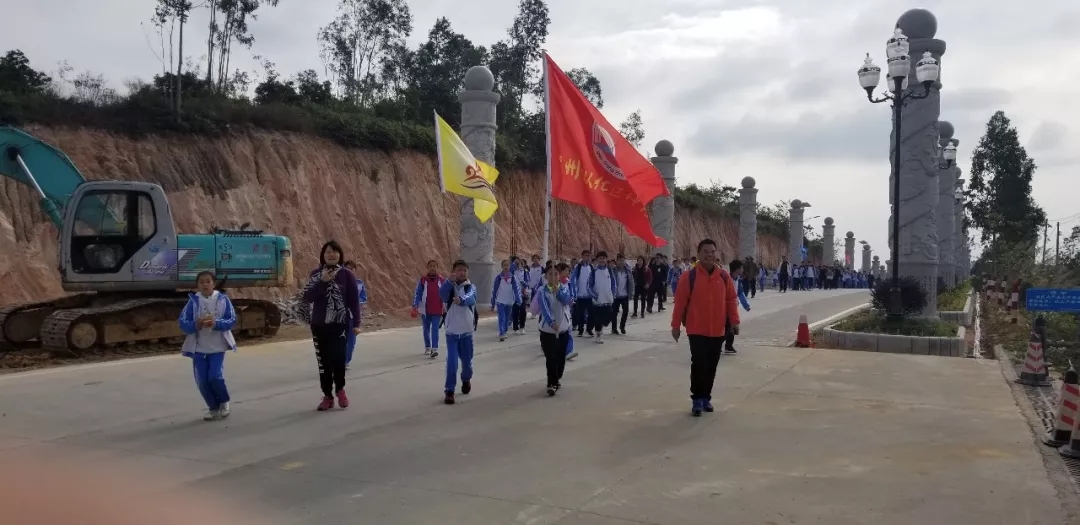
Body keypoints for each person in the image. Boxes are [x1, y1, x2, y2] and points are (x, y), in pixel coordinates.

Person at [670, 239, 740, 417]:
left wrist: (734, 321)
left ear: (716, 254)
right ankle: (697, 399)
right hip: (696, 329)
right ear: (699, 254)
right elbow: (680, 303)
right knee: (699, 363)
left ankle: (706, 397)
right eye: (706, 251)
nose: (710, 254)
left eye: (712, 251)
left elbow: (731, 300)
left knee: (711, 365)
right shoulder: (689, 276)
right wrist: (675, 325)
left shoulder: (724, 276)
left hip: (717, 329)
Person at [301, 240, 362, 411]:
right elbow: (308, 297)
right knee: (324, 363)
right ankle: (327, 395)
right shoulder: (316, 273)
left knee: (338, 359)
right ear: (323, 255)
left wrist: (356, 323)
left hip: (340, 325)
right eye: (328, 252)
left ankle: (340, 390)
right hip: (319, 325)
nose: (331, 254)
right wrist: (322, 282)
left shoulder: (347, 275)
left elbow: (353, 302)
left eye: (335, 251)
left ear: (340, 255)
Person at [178, 270, 237, 421]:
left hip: (217, 347)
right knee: (203, 381)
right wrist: (195, 324)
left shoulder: (223, 300)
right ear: (197, 285)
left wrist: (216, 323)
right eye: (201, 282)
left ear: (213, 283)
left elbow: (231, 320)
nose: (205, 284)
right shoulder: (193, 302)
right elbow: (183, 323)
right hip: (198, 348)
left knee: (215, 377)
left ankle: (224, 402)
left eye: (208, 281)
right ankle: (213, 407)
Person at [440, 260, 477, 405]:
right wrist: (449, 283)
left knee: (467, 364)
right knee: (452, 363)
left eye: (464, 270)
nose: (462, 272)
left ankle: (466, 379)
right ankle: (449, 391)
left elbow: (471, 299)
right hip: (452, 334)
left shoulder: (471, 287)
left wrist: (461, 299)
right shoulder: (448, 286)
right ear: (454, 271)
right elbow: (442, 294)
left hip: (467, 334)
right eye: (459, 270)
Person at [538, 264, 573, 396]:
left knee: (560, 357)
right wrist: (551, 322)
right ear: (546, 277)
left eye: (556, 274)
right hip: (548, 331)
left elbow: (566, 300)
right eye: (550, 274)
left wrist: (557, 290)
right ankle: (551, 383)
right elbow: (545, 308)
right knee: (550, 357)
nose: (553, 276)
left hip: (563, 329)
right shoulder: (542, 291)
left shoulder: (564, 288)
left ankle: (556, 378)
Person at [412, 260, 446, 358]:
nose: (433, 268)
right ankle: (428, 346)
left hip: (437, 309)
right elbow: (418, 293)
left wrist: (446, 306)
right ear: (428, 268)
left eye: (435, 266)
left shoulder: (441, 280)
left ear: (437, 268)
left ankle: (434, 348)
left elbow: (445, 294)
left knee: (435, 329)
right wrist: (415, 305)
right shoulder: (423, 280)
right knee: (426, 329)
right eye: (430, 266)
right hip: (425, 310)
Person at [342, 260, 368, 369]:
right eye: (347, 269)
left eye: (352, 269)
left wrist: (357, 301)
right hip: (341, 316)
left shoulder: (359, 283)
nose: (350, 271)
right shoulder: (339, 283)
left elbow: (363, 297)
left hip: (353, 316)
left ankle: (346, 361)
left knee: (351, 341)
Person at [587, 251, 616, 344]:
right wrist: (594, 295)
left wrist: (613, 293)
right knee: (598, 320)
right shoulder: (594, 271)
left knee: (609, 317)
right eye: (600, 258)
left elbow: (613, 283)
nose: (602, 260)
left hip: (608, 299)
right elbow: (589, 286)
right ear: (597, 259)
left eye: (604, 258)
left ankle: (601, 328)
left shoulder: (609, 270)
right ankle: (598, 335)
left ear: (606, 259)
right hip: (597, 301)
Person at [726, 259, 753, 355]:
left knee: (733, 325)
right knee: (725, 327)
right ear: (736, 269)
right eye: (741, 268)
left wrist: (746, 305)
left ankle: (728, 346)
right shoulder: (726, 279)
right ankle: (718, 345)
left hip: (734, 306)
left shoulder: (738, 281)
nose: (742, 270)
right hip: (725, 307)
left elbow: (740, 293)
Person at [490, 259, 521, 342]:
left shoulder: (513, 277)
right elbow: (494, 291)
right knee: (502, 317)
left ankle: (505, 331)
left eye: (507, 265)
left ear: (509, 266)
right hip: (500, 301)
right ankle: (501, 333)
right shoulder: (499, 277)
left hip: (509, 301)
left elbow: (516, 289)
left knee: (507, 318)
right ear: (502, 267)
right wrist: (492, 304)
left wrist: (519, 300)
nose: (506, 267)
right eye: (504, 265)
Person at [557, 263, 580, 361]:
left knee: (568, 329)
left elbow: (572, 293)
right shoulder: (555, 283)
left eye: (569, 271)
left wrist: (572, 299)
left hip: (566, 310)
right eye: (566, 270)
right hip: (557, 310)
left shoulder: (568, 282)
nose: (568, 272)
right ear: (560, 271)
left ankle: (569, 351)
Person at [570, 250, 594, 337]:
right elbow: (572, 279)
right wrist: (574, 292)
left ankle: (589, 329)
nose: (587, 257)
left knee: (591, 314)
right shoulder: (578, 267)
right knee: (580, 314)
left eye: (589, 255)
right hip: (580, 295)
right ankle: (580, 330)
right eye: (586, 255)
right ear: (582, 256)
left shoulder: (591, 267)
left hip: (589, 296)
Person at [611, 253, 634, 335]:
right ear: (617, 261)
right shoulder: (613, 270)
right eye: (619, 260)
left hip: (625, 295)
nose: (621, 262)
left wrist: (631, 293)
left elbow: (631, 282)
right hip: (616, 295)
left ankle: (622, 326)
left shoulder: (628, 270)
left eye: (623, 260)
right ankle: (614, 328)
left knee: (625, 311)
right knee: (614, 312)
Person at [511, 256, 529, 334]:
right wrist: (514, 263)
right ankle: (515, 327)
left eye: (520, 263)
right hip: (514, 294)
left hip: (522, 294)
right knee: (515, 311)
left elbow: (528, 282)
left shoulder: (525, 271)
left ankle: (522, 326)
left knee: (523, 311)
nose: (519, 264)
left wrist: (524, 284)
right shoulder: (513, 271)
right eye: (517, 263)